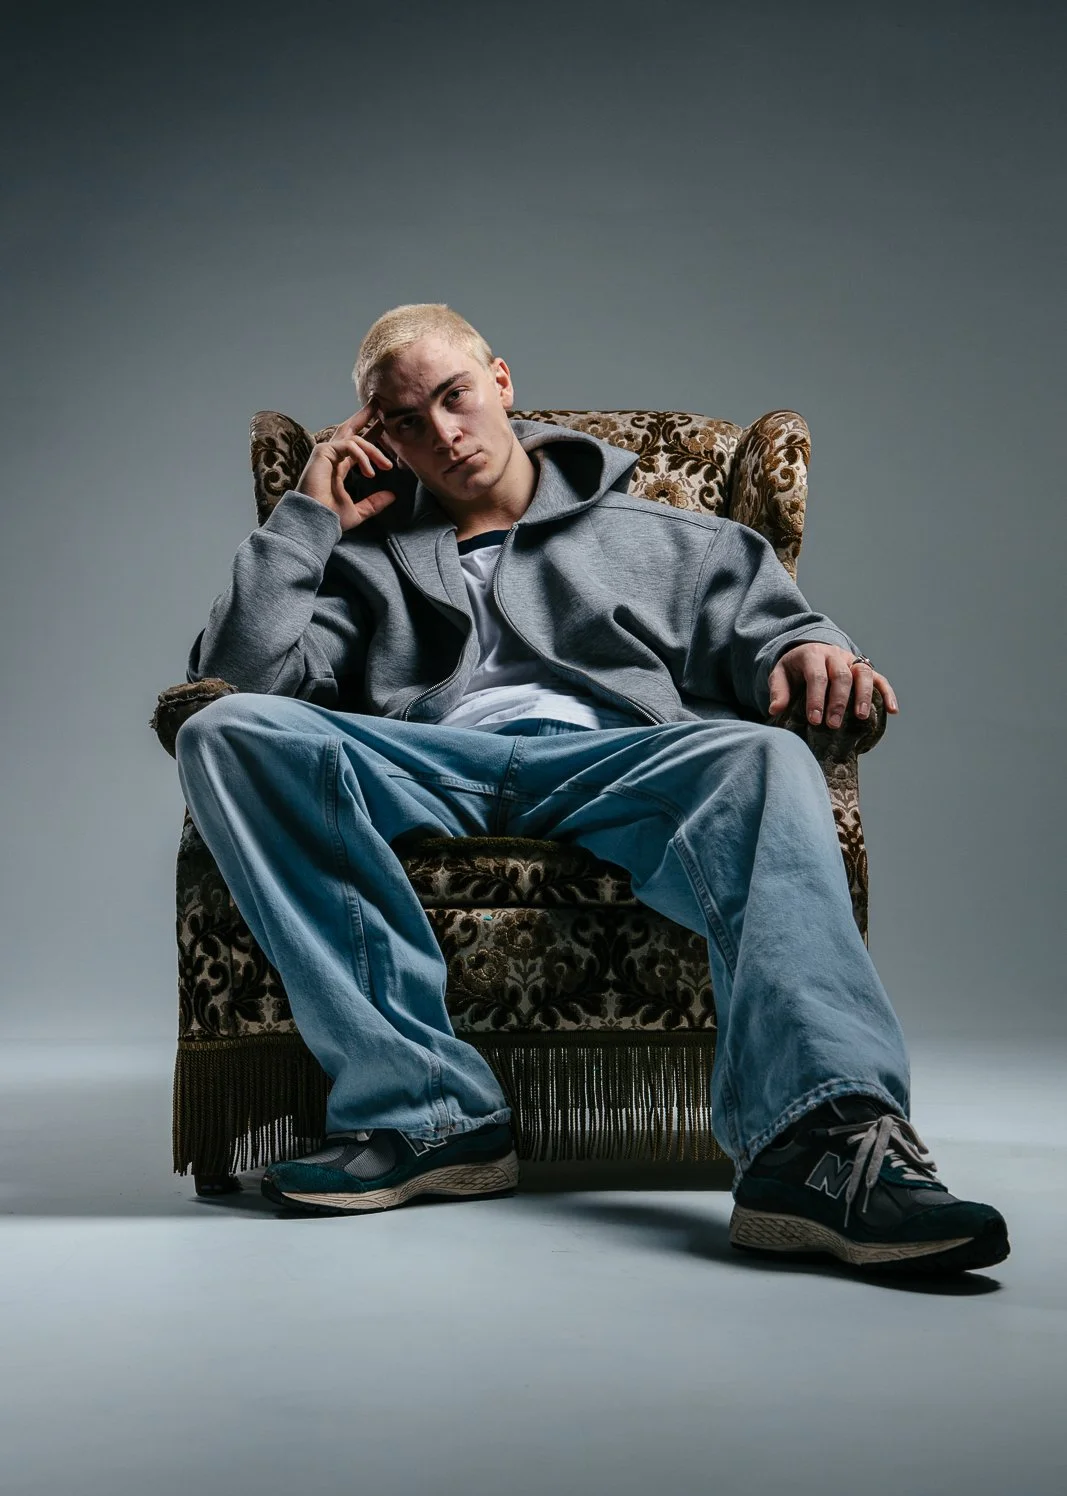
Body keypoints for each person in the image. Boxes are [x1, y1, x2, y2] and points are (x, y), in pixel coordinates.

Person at [174, 302, 1009, 1275]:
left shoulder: (669, 538)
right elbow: (239, 677)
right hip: (426, 764)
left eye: (453, 397)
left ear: (499, 381)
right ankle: (427, 1111)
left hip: (609, 763)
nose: (441, 434)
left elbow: (780, 632)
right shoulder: (355, 561)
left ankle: (820, 1143)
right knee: (225, 730)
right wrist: (307, 521)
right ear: (375, 437)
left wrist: (815, 653)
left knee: (762, 758)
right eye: (404, 421)